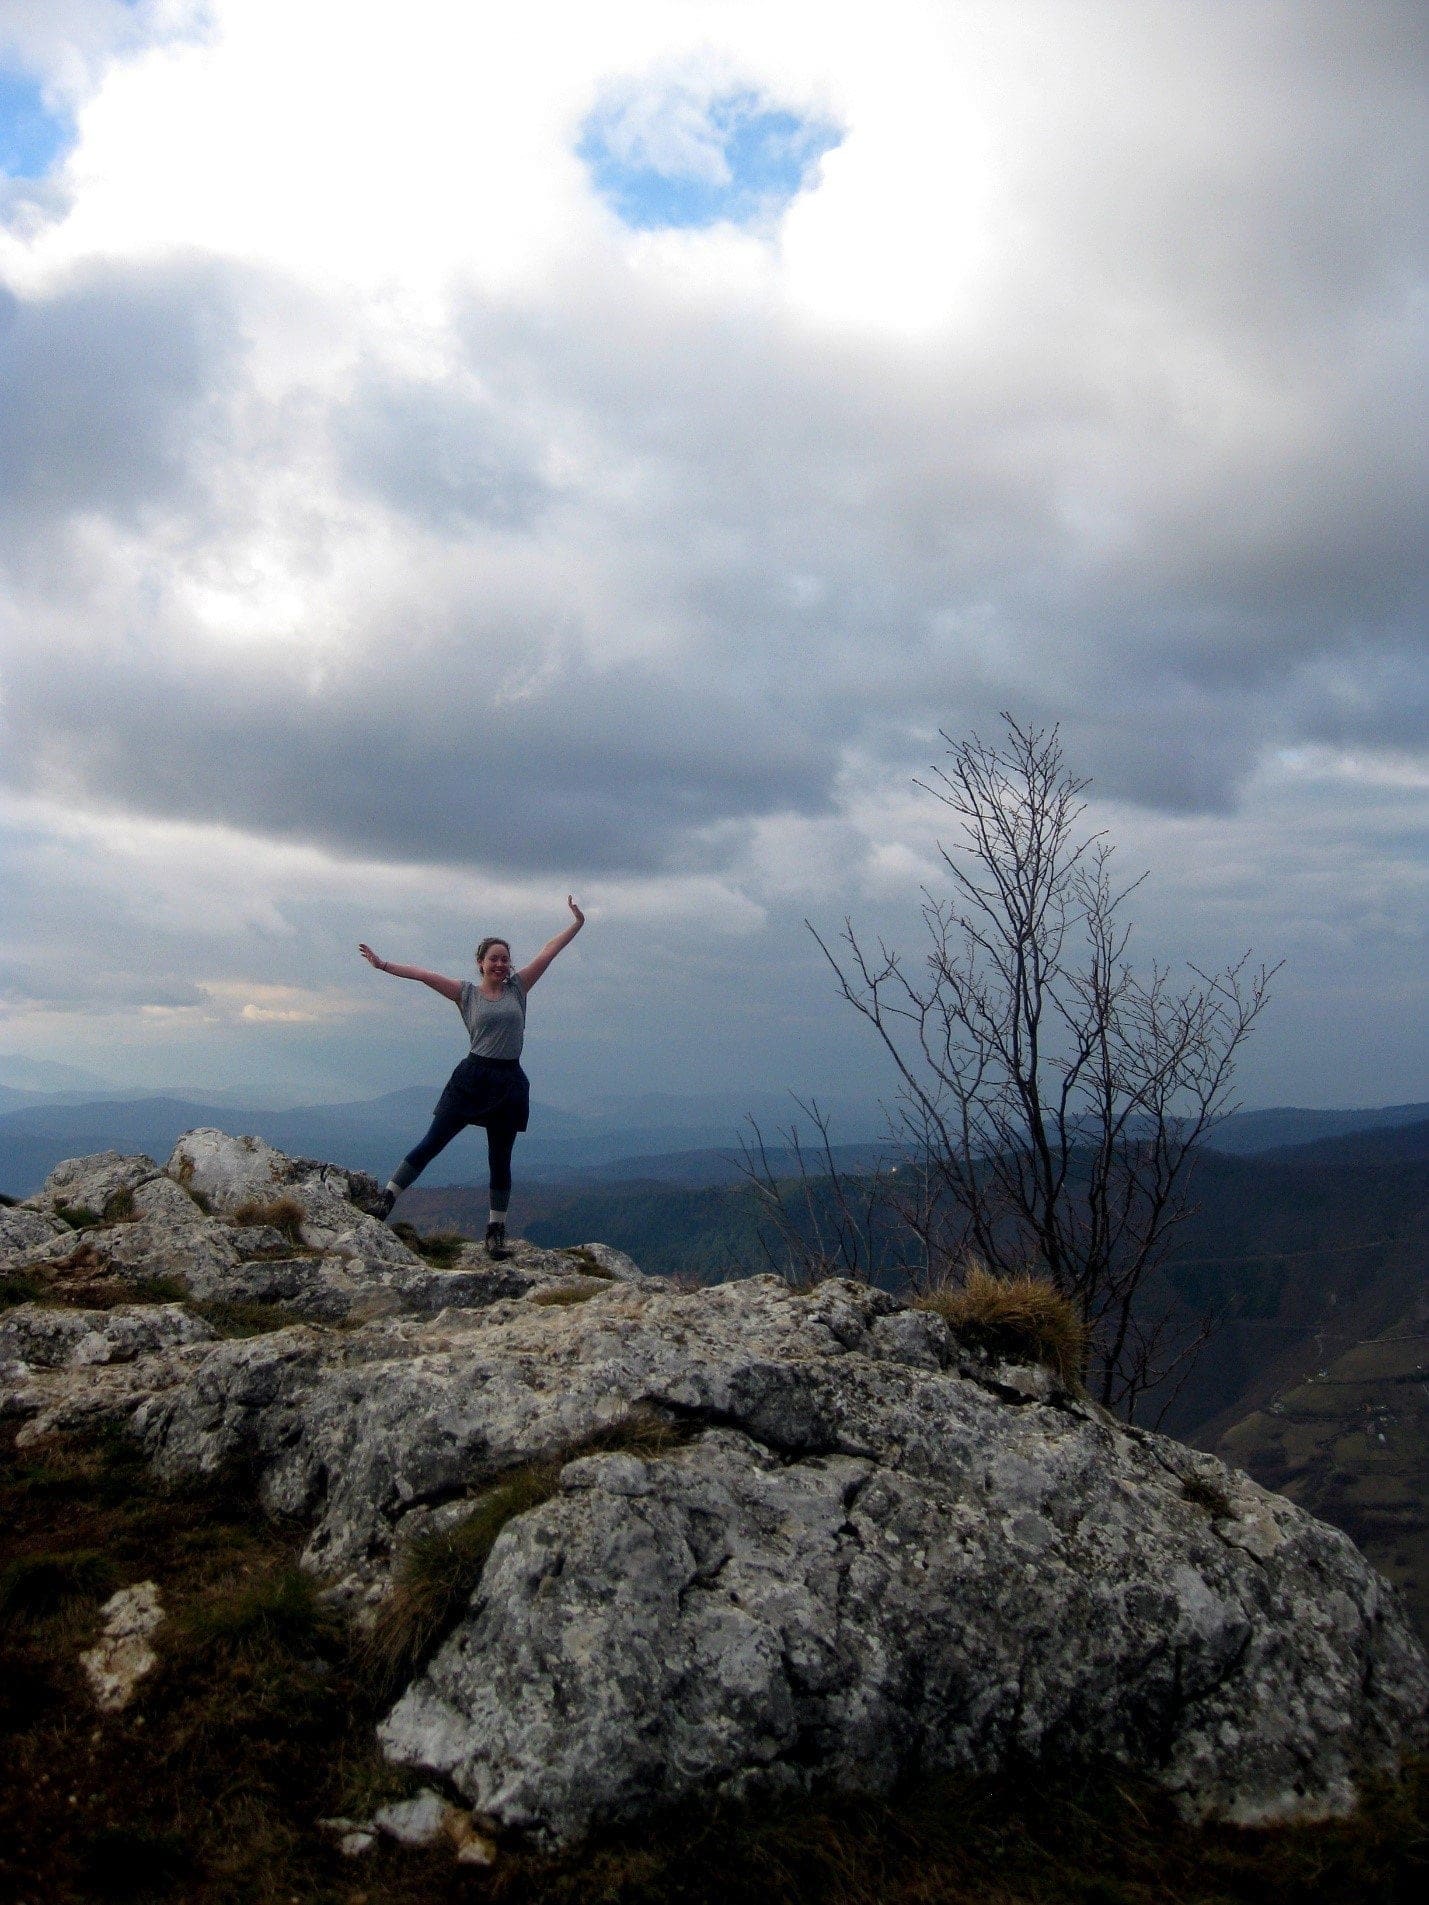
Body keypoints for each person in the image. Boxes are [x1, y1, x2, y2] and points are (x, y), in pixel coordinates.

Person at [358, 897, 585, 1256]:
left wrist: (576, 923)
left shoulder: (519, 988)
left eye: (504, 958)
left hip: (508, 1081)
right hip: (473, 1075)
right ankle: (386, 1200)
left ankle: (495, 1231)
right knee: (433, 1140)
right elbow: (423, 974)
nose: (499, 963)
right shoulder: (466, 994)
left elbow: (548, 951)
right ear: (480, 963)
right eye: (493, 958)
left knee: (500, 1157)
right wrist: (382, 964)